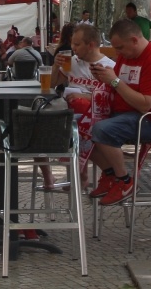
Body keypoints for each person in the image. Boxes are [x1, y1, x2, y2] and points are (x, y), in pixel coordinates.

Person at [87, 19, 151, 206]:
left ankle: (125, 181)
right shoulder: (127, 56)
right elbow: (119, 88)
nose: (117, 53)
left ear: (134, 40)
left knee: (102, 130)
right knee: (81, 128)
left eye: (120, 48)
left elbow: (145, 105)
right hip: (126, 114)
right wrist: (104, 77)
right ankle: (110, 175)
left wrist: (114, 81)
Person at [52, 23, 116, 187]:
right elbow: (52, 85)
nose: (73, 48)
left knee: (79, 107)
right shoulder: (71, 62)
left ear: (91, 45)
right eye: (72, 43)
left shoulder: (109, 66)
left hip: (96, 117)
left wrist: (85, 96)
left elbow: (111, 99)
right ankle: (63, 175)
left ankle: (83, 173)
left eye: (77, 44)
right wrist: (55, 66)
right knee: (42, 118)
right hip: (70, 116)